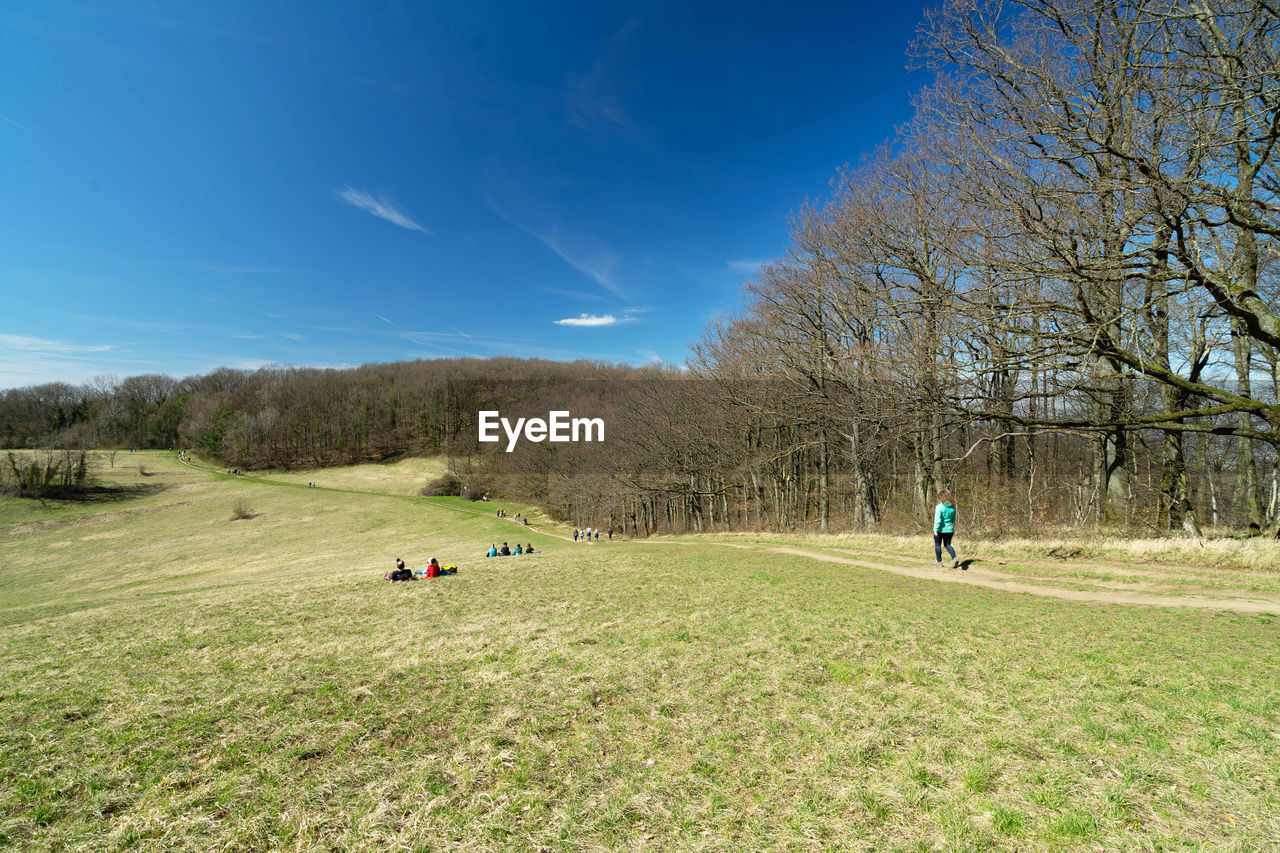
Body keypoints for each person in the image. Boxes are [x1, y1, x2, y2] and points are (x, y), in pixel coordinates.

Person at [933, 490, 960, 569]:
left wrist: (935, 530)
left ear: (941, 498)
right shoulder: (952, 507)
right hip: (950, 530)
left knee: (938, 545)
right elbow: (953, 518)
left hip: (940, 530)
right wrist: (952, 523)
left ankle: (939, 562)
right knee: (947, 545)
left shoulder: (939, 507)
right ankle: (954, 558)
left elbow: (938, 519)